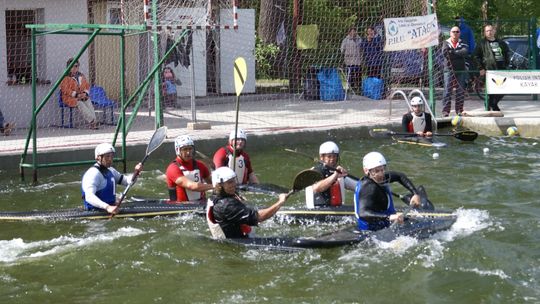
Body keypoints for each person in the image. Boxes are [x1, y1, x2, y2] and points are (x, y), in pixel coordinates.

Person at [206, 167, 288, 239]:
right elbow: (259, 217)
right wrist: (280, 202)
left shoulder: (215, 197)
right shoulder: (226, 205)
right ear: (219, 185)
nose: (234, 184)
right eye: (230, 182)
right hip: (236, 244)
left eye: (234, 180)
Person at [353, 152, 421, 231]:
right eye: (377, 171)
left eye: (382, 169)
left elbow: (400, 176)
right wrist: (389, 217)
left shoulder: (379, 177)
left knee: (415, 222)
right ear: (366, 171)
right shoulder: (368, 188)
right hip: (371, 231)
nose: (381, 174)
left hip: (386, 223)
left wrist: (415, 194)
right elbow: (363, 213)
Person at [81, 143, 143, 214]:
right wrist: (107, 207)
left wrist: (136, 173)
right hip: (94, 212)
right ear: (98, 157)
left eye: (112, 156)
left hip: (110, 208)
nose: (110, 159)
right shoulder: (93, 174)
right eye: (107, 157)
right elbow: (89, 196)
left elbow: (127, 182)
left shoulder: (111, 170)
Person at [305, 141, 357, 208]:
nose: (332, 159)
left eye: (334, 156)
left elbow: (357, 187)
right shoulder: (316, 171)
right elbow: (317, 188)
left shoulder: (337, 172)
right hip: (318, 210)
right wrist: (335, 176)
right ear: (322, 157)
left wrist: (367, 185)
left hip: (337, 209)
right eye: (329, 156)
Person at [474, 24, 510, 112]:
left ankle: (492, 104)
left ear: (494, 31)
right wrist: (481, 68)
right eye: (487, 31)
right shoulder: (481, 43)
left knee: (504, 88)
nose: (489, 32)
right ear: (485, 33)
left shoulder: (501, 43)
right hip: (489, 70)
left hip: (501, 69)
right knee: (492, 90)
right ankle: (493, 106)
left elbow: (507, 54)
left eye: (491, 30)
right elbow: (475, 56)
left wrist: (506, 65)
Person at [166, 135, 213, 202]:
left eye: (190, 149)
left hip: (201, 204)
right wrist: (214, 186)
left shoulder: (200, 165)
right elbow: (191, 186)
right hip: (180, 207)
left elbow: (212, 181)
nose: (188, 152)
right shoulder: (173, 168)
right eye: (185, 149)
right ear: (178, 150)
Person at [60, 58, 98, 129]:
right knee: (79, 103)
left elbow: (86, 86)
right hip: (70, 98)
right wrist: (76, 95)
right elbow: (65, 89)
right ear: (69, 67)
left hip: (81, 96)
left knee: (88, 101)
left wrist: (85, 93)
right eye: (73, 66)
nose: (75, 68)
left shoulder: (81, 76)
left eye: (76, 66)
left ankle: (93, 121)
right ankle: (92, 121)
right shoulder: (65, 77)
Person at [442, 26, 469, 117]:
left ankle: (459, 110)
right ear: (450, 33)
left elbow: (465, 52)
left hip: (461, 70)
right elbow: (445, 53)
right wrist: (458, 53)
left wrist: (453, 52)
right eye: (453, 31)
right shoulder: (445, 42)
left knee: (460, 91)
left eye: (457, 31)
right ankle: (445, 111)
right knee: (447, 91)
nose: (455, 33)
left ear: (459, 33)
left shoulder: (463, 42)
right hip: (449, 70)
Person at [340, 27, 362, 92]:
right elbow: (342, 50)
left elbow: (362, 48)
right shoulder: (345, 40)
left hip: (357, 61)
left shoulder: (359, 39)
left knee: (358, 75)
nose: (353, 33)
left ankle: (359, 88)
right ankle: (351, 88)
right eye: (351, 31)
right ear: (349, 32)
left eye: (354, 31)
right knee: (350, 75)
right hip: (349, 61)